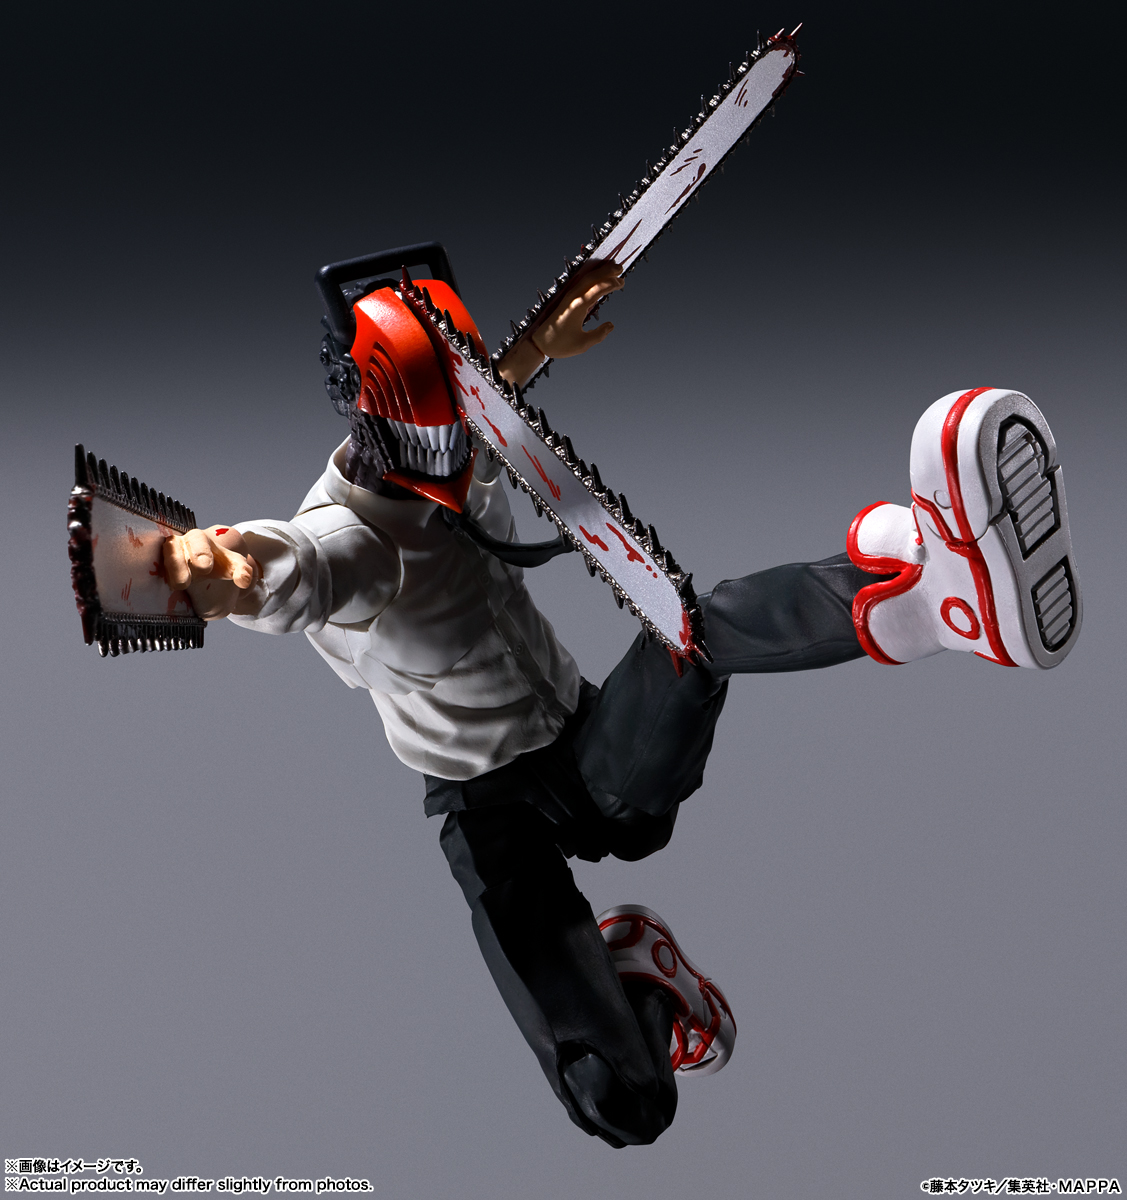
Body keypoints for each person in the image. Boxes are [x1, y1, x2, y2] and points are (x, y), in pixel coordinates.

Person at [162, 261, 1081, 1148]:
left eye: (460, 423)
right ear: (375, 420)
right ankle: (643, 990)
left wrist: (530, 350)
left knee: (691, 636)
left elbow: (469, 401)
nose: (456, 451)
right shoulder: (344, 541)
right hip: (491, 813)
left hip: (587, 750)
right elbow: (287, 569)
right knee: (619, 1101)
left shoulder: (458, 436)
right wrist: (227, 573)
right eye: (437, 431)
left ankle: (923, 594)